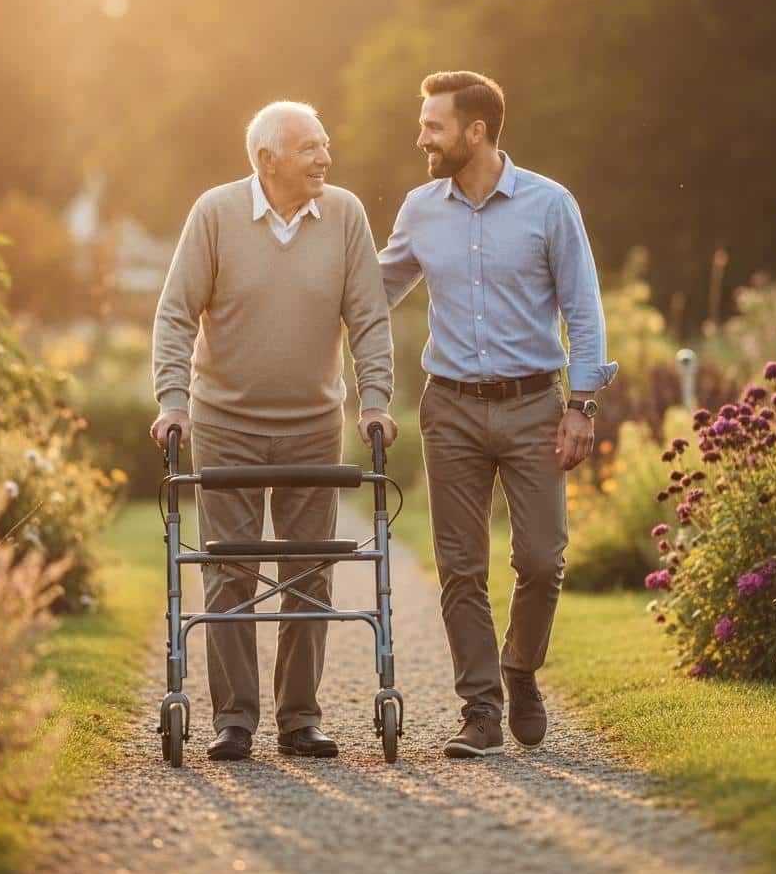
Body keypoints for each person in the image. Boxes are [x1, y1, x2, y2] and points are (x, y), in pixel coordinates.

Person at [379, 71, 617, 758]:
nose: (422, 138)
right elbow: (374, 290)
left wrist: (581, 404)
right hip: (449, 407)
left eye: (434, 126)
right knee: (460, 566)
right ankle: (480, 709)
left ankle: (519, 665)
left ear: (475, 131)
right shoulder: (421, 209)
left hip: (534, 405)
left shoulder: (549, 204)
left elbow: (583, 309)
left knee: (542, 559)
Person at [151, 100, 397, 761]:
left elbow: (369, 316)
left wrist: (375, 401)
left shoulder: (344, 215)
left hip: (313, 424)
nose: (326, 158)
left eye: (325, 145)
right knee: (230, 571)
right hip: (225, 423)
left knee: (309, 570)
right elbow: (176, 314)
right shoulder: (216, 213)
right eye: (311, 147)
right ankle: (234, 719)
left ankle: (299, 719)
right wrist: (173, 401)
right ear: (268, 159)